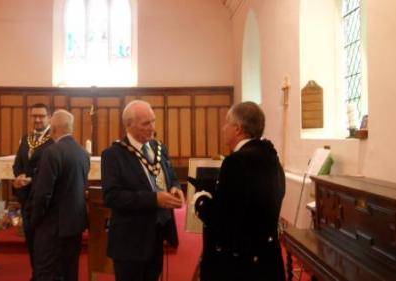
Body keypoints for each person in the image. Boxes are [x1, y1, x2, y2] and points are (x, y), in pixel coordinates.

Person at [193, 102, 286, 281]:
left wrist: (200, 200)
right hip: (267, 258)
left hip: (241, 264)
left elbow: (224, 220)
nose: (223, 128)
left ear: (238, 129)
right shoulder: (272, 157)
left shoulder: (236, 162)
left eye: (226, 123)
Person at [101, 100, 185, 281]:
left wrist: (175, 188)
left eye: (153, 121)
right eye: (146, 123)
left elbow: (172, 177)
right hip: (130, 241)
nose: (152, 128)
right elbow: (112, 197)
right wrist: (154, 199)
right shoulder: (113, 154)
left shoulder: (159, 148)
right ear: (129, 125)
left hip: (157, 234)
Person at [30, 109, 90, 281]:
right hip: (75, 224)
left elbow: (43, 193)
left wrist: (35, 219)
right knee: (70, 270)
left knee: (47, 272)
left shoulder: (52, 152)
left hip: (52, 225)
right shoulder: (82, 153)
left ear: (53, 128)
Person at [12, 103, 54, 280]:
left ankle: (43, 274)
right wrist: (19, 176)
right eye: (34, 116)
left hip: (44, 199)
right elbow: (18, 163)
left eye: (42, 116)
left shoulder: (54, 139)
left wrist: (32, 179)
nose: (37, 119)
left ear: (49, 117)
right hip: (26, 198)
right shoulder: (26, 138)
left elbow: (52, 170)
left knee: (43, 242)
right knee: (30, 239)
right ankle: (35, 272)